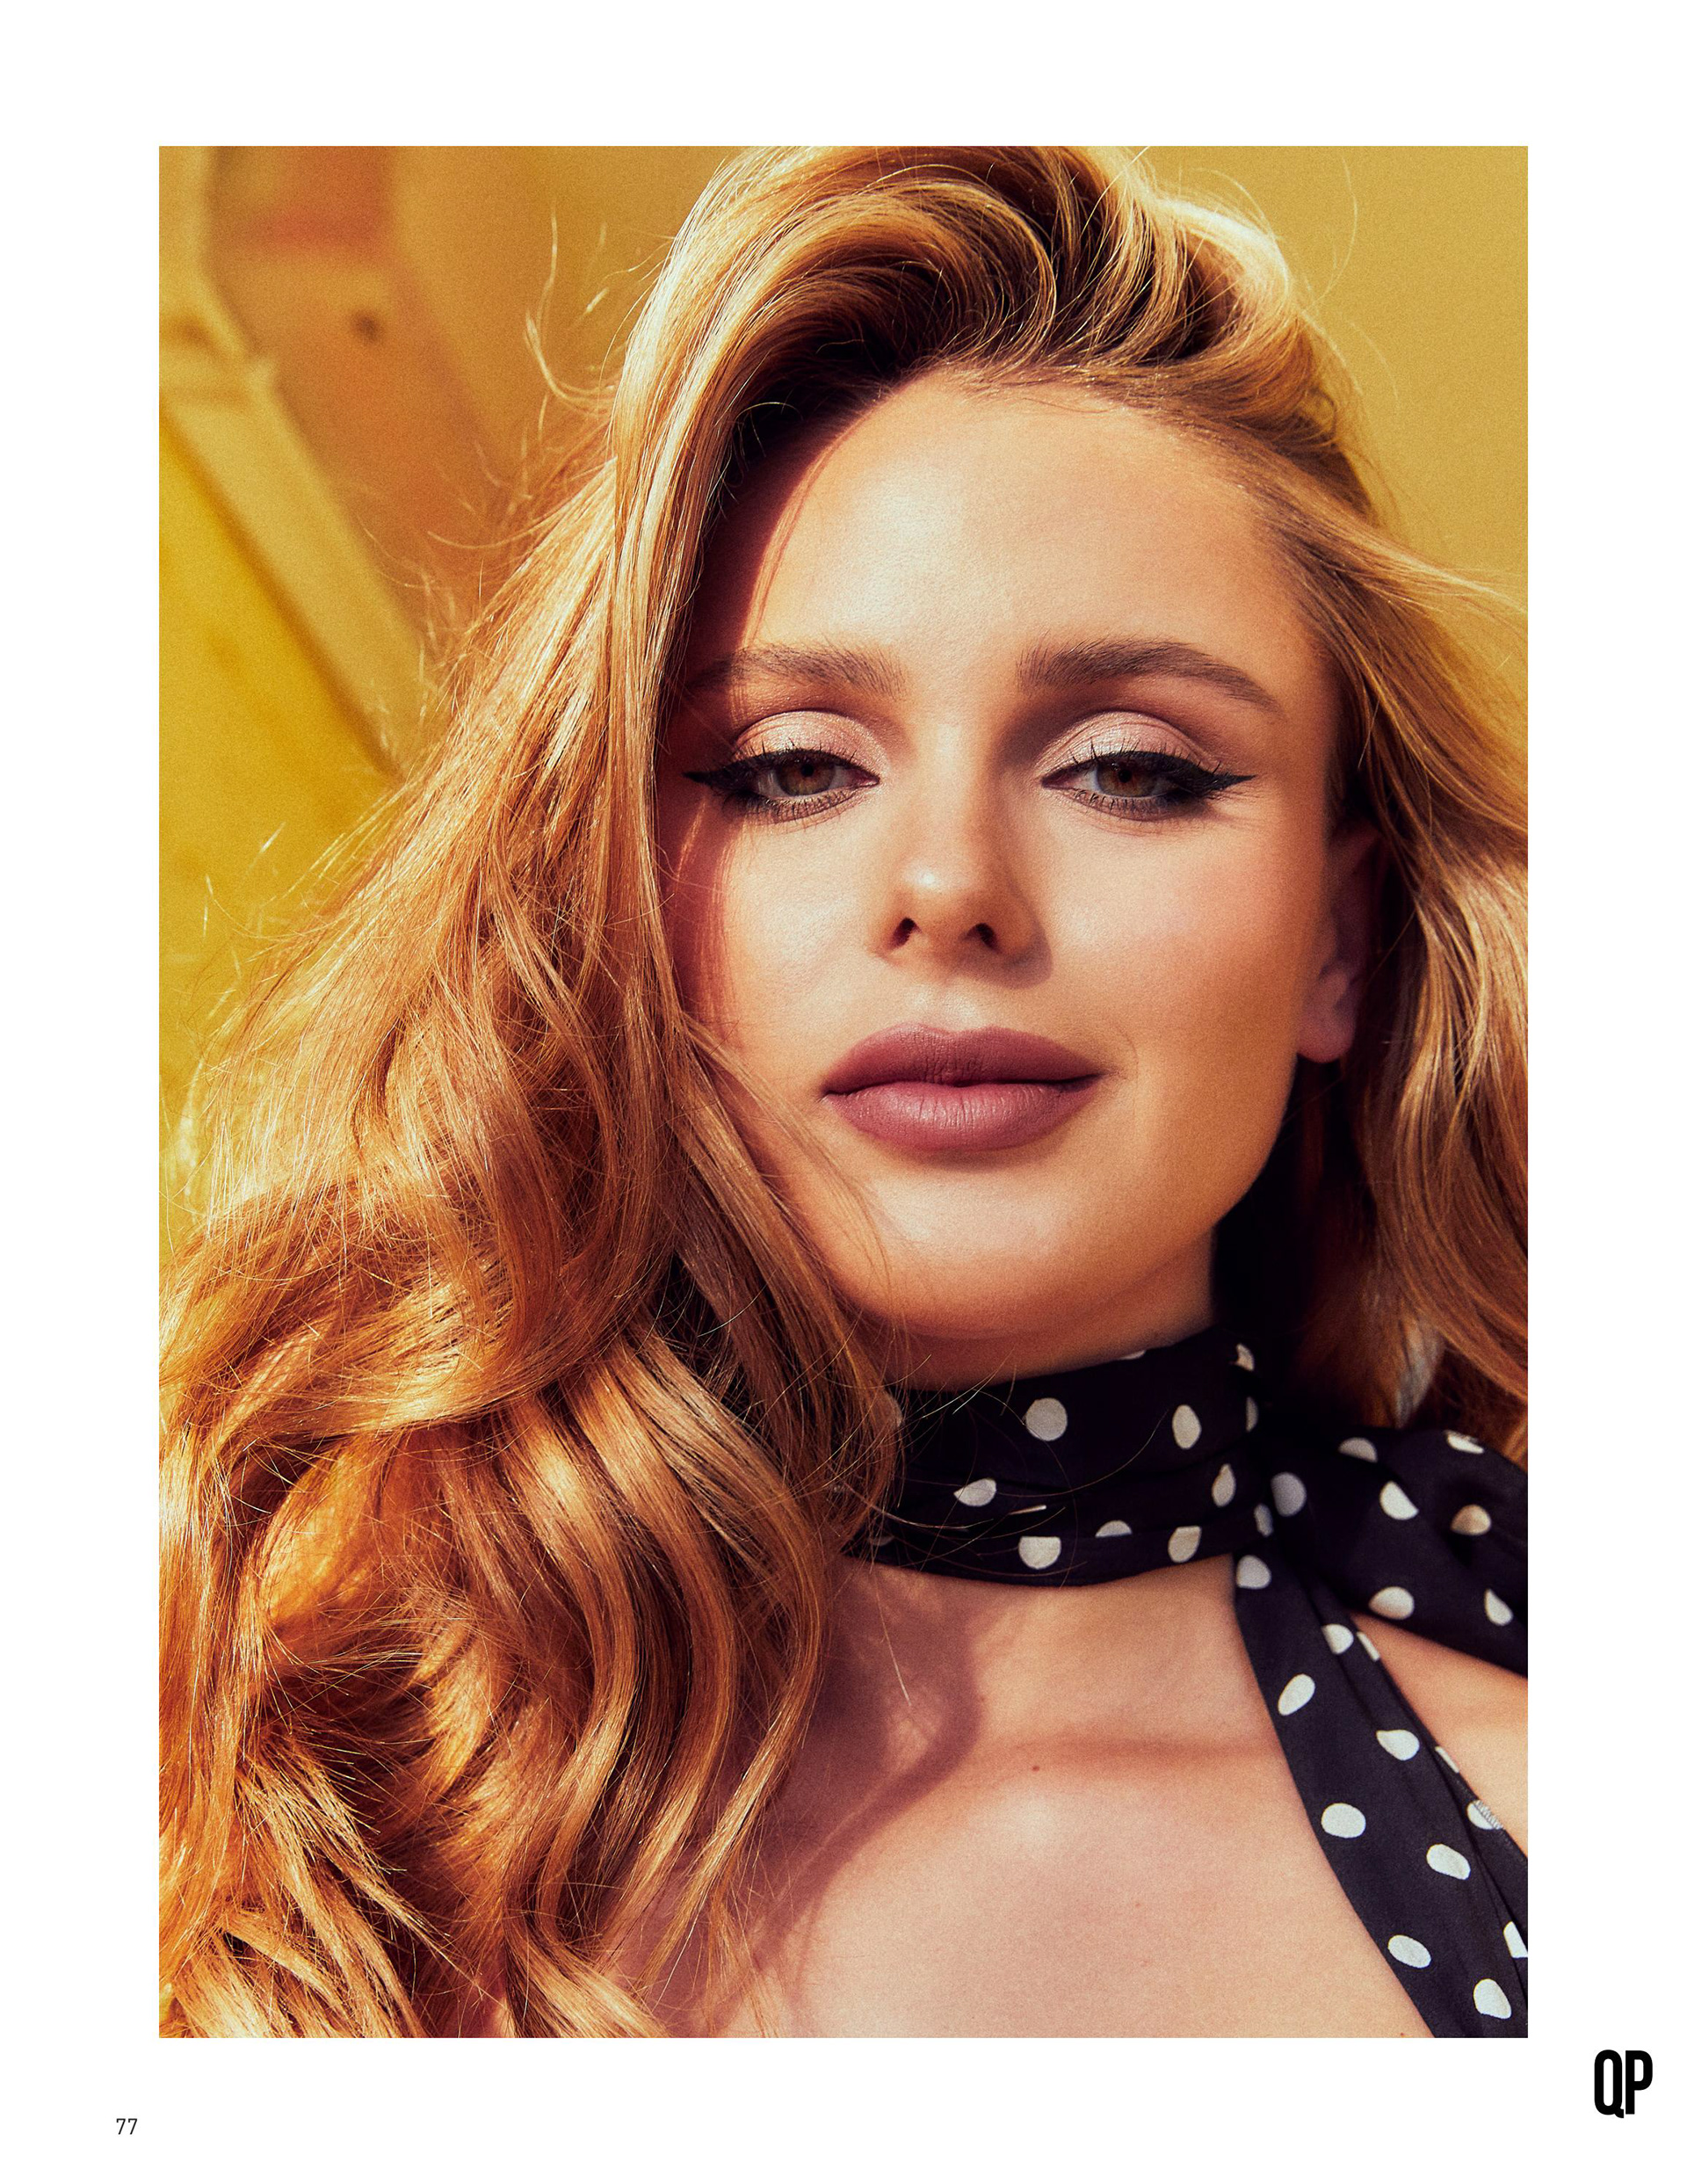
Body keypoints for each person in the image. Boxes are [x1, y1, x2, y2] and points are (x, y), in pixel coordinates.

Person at [160, 145, 1526, 2039]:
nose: (949, 884)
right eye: (792, 766)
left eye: (1132, 767)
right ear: (609, 898)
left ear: (1339, 943)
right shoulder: (256, 1789)